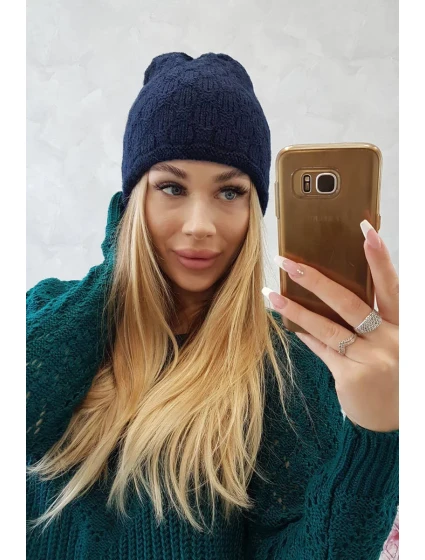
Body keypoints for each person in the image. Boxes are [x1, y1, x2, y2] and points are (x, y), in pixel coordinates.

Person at [26, 52, 399, 560]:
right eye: (170, 187)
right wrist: (119, 269)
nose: (200, 224)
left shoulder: (285, 366)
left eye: (229, 192)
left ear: (254, 209)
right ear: (132, 199)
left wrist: (377, 433)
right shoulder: (48, 309)